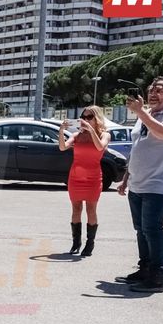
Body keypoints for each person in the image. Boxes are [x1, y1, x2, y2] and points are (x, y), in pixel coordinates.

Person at [115, 76, 163, 293]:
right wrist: (126, 178)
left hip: (160, 184)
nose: (153, 93)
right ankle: (145, 270)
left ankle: (158, 277)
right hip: (137, 184)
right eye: (151, 89)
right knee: (141, 230)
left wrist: (141, 112)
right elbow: (137, 147)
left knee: (152, 230)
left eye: (159, 90)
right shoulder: (146, 113)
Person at [58, 105, 109, 256]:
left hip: (93, 178)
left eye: (89, 117)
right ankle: (76, 243)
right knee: (76, 209)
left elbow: (100, 147)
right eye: (83, 117)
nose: (85, 120)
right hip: (75, 178)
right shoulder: (77, 135)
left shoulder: (105, 135)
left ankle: (90, 244)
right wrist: (61, 131)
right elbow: (62, 147)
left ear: (97, 118)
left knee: (91, 209)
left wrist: (91, 130)